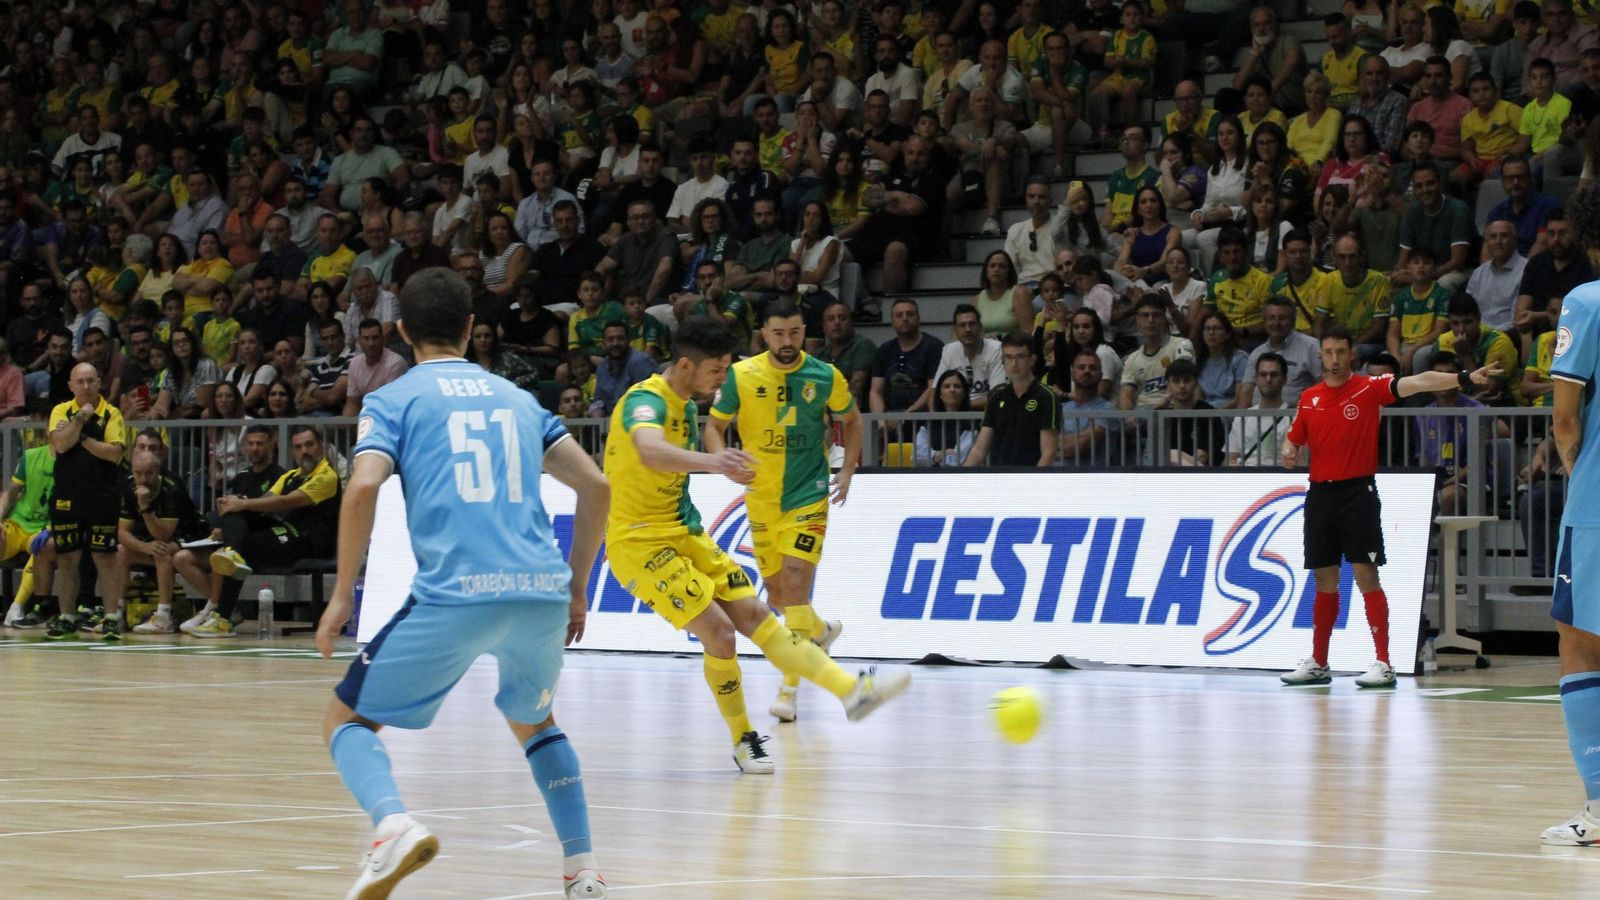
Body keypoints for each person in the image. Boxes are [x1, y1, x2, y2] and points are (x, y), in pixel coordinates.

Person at [305, 267, 608, 898]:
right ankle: (582, 871)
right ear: (473, 329)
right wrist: (576, 587)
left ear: (401, 332)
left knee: (345, 719)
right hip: (541, 593)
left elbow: (362, 485)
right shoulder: (522, 400)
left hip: (457, 592)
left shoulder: (393, 399)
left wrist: (340, 597)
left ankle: (392, 827)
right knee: (539, 723)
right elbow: (597, 487)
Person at [603, 316, 910, 773]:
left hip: (684, 532)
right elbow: (649, 449)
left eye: (728, 367)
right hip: (639, 544)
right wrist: (715, 460)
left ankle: (851, 692)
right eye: (716, 370)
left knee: (759, 616)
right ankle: (744, 738)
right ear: (686, 365)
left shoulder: (688, 405)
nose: (723, 378)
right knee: (721, 633)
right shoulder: (645, 400)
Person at [1279, 324, 1500, 688]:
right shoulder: (1309, 397)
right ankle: (1319, 661)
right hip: (1319, 495)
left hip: (1357, 495)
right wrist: (1289, 451)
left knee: (1366, 574)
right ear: (1321, 355)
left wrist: (1463, 376)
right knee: (1324, 578)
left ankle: (1384, 661)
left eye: (1340, 352)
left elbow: (1419, 382)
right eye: (1328, 352)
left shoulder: (1368, 389)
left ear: (1351, 354)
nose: (1334, 359)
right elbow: (1295, 439)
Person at [705, 302, 859, 723]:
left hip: (807, 493)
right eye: (778, 333)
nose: (787, 342)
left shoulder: (825, 375)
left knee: (793, 586)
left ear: (803, 331)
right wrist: (721, 459)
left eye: (794, 333)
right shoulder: (740, 375)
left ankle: (788, 691)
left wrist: (847, 468)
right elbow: (714, 427)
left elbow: (852, 418)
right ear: (765, 334)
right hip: (760, 497)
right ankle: (822, 631)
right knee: (776, 596)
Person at [172, 424, 341, 639]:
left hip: (311, 542)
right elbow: (264, 501)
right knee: (233, 513)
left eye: (309, 445)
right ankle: (231, 553)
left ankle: (223, 617)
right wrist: (235, 505)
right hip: (286, 534)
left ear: (321, 446)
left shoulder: (327, 476)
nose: (304, 451)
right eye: (298, 447)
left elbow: (286, 502)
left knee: (245, 542)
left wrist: (242, 504)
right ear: (292, 451)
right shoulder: (290, 476)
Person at [40, 363, 127, 640]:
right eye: (81, 382)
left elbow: (114, 454)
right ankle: (67, 616)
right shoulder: (59, 411)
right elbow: (60, 445)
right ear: (71, 385)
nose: (86, 386)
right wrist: (80, 419)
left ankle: (112, 616)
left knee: (105, 557)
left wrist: (82, 436)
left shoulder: (112, 414)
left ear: (100, 382)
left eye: (91, 381)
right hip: (67, 496)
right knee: (67, 557)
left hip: (103, 496)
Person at [110, 450, 203, 634]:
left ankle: (163, 616)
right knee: (121, 551)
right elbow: (122, 533)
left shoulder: (172, 488)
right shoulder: (129, 486)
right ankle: (117, 614)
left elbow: (164, 535)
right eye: (138, 473)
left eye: (148, 473)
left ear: (158, 471)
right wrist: (144, 547)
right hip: (152, 537)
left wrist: (145, 506)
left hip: (190, 534)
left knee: (162, 550)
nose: (143, 479)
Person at [962, 333, 1058, 467]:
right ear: (1002, 360)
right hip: (999, 477)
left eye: (1020, 357)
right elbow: (979, 449)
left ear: (1032, 360)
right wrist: (962, 478)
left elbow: (1049, 451)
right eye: (1008, 357)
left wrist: (1036, 482)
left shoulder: (1046, 396)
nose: (1014, 363)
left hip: (1029, 478)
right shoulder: (997, 395)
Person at [0, 442, 54, 629]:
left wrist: (50, 528)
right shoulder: (31, 456)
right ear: (48, 429)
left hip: (42, 528)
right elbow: (9, 494)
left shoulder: (73, 463)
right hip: (18, 522)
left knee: (41, 549)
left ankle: (17, 606)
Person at [1119, 293, 1196, 410]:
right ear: (1137, 320)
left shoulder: (1181, 345)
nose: (1150, 320)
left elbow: (1183, 378)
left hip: (1173, 410)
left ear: (1164, 319)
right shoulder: (1132, 359)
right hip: (1143, 414)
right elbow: (1125, 395)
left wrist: (1162, 404)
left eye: (1156, 315)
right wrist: (1128, 418)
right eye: (1145, 315)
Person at [1226, 352, 1292, 466]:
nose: (1268, 379)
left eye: (1274, 375)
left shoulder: (1293, 418)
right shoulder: (1242, 418)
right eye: (1263, 374)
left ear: (1284, 379)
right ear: (1256, 379)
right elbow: (1231, 458)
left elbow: (1295, 461)